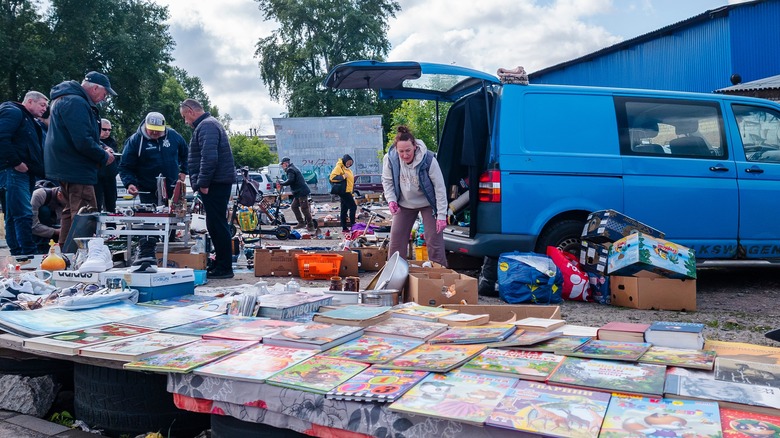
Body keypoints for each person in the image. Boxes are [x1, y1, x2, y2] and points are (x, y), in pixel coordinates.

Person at [44, 71, 117, 247]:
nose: (104, 98)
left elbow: (80, 135)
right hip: (76, 168)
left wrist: (100, 146)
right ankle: (81, 256)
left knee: (70, 212)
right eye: (104, 94)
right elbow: (82, 140)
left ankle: (65, 255)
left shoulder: (67, 99)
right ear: (95, 88)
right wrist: (103, 156)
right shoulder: (76, 102)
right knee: (86, 213)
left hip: (66, 165)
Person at [180, 98, 235, 279]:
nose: (185, 121)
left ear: (190, 111)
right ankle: (221, 264)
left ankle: (224, 267)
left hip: (214, 184)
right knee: (215, 224)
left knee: (217, 225)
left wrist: (203, 183)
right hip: (216, 182)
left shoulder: (206, 126)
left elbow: (209, 158)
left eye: (184, 117)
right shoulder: (208, 125)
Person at [381, 126, 448, 267]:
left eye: (408, 150)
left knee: (433, 240)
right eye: (401, 152)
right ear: (396, 150)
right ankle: (395, 277)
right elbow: (387, 181)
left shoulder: (428, 160)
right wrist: (391, 200)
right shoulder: (390, 159)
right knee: (396, 241)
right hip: (404, 203)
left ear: (415, 146)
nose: (405, 155)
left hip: (428, 203)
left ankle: (440, 276)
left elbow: (440, 188)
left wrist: (442, 215)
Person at [0, 91, 49, 255]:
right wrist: (16, 163)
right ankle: (27, 251)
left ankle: (19, 252)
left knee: (14, 213)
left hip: (23, 171)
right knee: (22, 213)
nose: (45, 109)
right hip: (14, 171)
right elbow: (2, 136)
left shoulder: (27, 118)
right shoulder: (14, 112)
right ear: (29, 102)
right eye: (42, 105)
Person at [119, 112, 188, 205]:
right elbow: (125, 166)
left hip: (172, 188)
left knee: (174, 216)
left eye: (158, 130)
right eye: (152, 129)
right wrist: (129, 183)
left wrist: (184, 171)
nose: (155, 132)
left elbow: (186, 154)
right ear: (146, 125)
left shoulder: (174, 136)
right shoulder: (135, 141)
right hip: (147, 191)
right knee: (152, 217)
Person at [31, 183, 65, 253]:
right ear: (60, 195)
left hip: (54, 230)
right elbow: (32, 225)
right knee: (44, 210)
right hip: (35, 232)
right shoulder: (39, 195)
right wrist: (56, 231)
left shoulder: (64, 202)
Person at [95, 118, 119, 212]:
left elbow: (117, 159)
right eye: (104, 129)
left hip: (110, 178)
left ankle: (111, 226)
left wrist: (115, 170)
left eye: (109, 130)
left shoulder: (112, 142)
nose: (107, 132)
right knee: (96, 204)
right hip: (97, 178)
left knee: (111, 204)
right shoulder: (93, 141)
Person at [329, 154, 356, 232]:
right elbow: (332, 177)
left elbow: (350, 182)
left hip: (348, 191)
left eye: (351, 163)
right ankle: (353, 225)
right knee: (353, 207)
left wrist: (352, 193)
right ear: (344, 160)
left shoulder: (348, 170)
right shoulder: (339, 167)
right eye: (348, 162)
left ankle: (344, 227)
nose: (349, 164)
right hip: (344, 191)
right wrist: (343, 176)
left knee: (344, 209)